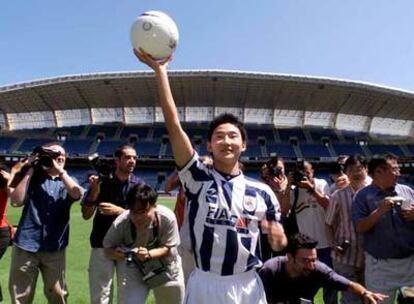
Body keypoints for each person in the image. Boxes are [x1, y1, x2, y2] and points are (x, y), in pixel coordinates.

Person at [134, 49, 287, 304]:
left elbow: (280, 243)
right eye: (219, 136)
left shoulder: (263, 193)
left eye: (233, 135)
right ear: (209, 146)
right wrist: (161, 72)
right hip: (206, 282)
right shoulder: (197, 179)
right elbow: (173, 125)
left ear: (244, 145)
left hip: (247, 284)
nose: (226, 140)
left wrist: (278, 236)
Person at [8, 143, 83, 304]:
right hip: (26, 244)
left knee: (58, 294)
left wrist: (60, 171)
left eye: (62, 155)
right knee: (20, 295)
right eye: (54, 156)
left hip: (55, 246)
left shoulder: (69, 181)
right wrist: (31, 168)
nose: (59, 158)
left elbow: (77, 194)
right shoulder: (32, 178)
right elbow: (16, 201)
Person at [82, 144, 144, 304]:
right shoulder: (102, 182)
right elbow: (86, 215)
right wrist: (94, 190)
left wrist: (120, 211)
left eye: (134, 158)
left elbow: (145, 219)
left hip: (129, 246)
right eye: (128, 157)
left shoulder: (140, 186)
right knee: (100, 296)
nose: (132, 161)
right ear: (117, 161)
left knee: (129, 296)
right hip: (101, 244)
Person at [103, 183, 184, 304]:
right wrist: (120, 254)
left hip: (166, 266)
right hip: (133, 267)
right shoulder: (121, 223)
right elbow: (107, 249)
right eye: (133, 212)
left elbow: (167, 247)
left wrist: (149, 254)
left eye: (142, 211)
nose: (137, 217)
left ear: (154, 206)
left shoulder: (167, 218)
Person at [352, 153, 414, 304]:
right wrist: (379, 212)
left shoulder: (407, 191)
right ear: (379, 172)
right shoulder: (362, 196)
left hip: (410, 265)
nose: (398, 173)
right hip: (380, 267)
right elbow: (359, 227)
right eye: (394, 169)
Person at [259, 233, 387, 304]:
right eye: (305, 261)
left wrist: (365, 293)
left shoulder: (318, 270)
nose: (310, 266)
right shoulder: (270, 270)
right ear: (290, 257)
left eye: (313, 260)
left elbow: (349, 284)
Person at [279, 160, 335, 304]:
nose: (304, 175)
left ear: (313, 171)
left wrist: (311, 189)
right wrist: (287, 186)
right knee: (307, 287)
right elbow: (284, 211)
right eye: (300, 173)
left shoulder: (321, 184)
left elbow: (329, 206)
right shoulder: (294, 190)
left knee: (329, 284)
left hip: (326, 243)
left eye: (307, 172)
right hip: (306, 248)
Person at [326, 155, 370, 304]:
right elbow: (328, 223)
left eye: (359, 169)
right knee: (350, 298)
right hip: (345, 256)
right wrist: (333, 245)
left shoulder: (374, 194)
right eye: (351, 170)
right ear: (346, 173)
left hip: (371, 256)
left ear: (366, 170)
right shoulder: (338, 196)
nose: (356, 173)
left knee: (370, 295)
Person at [260, 156, 289, 260]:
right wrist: (265, 178)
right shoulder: (263, 186)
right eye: (274, 169)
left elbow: (284, 211)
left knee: (281, 261)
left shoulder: (291, 184)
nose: (277, 171)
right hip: (266, 230)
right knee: (265, 259)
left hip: (284, 229)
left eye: (280, 168)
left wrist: (281, 191)